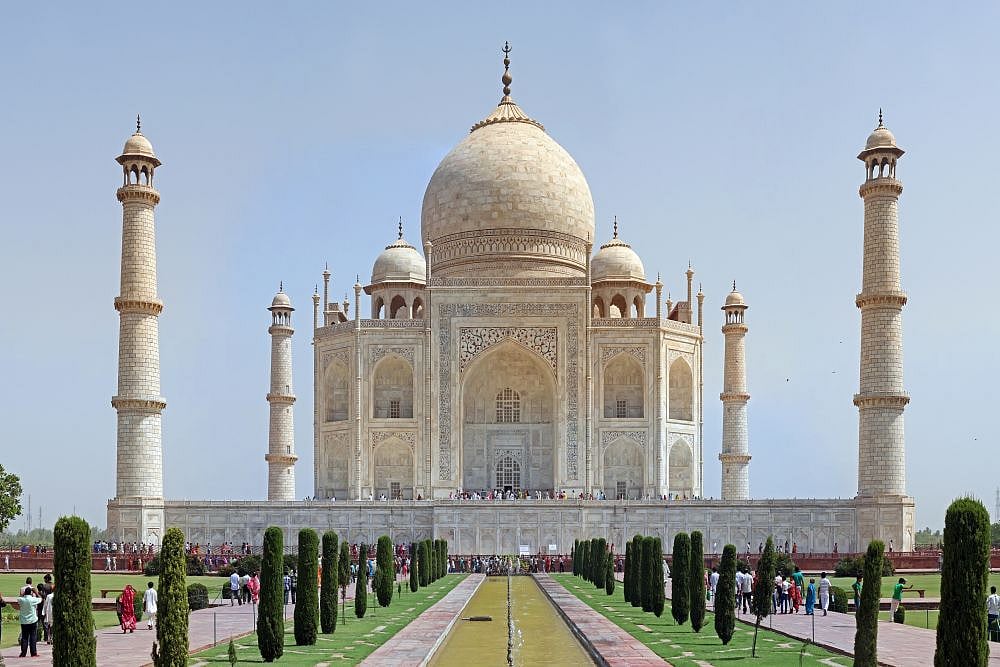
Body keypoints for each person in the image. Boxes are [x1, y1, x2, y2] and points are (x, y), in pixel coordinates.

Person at [17, 585, 42, 657]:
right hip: (32, 621)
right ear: (31, 593)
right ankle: (33, 653)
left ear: (25, 593)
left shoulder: (21, 599)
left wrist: (22, 594)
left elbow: (19, 598)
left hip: (24, 621)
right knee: (33, 637)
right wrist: (36, 592)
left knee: (24, 637)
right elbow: (41, 599)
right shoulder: (33, 599)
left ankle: (23, 653)